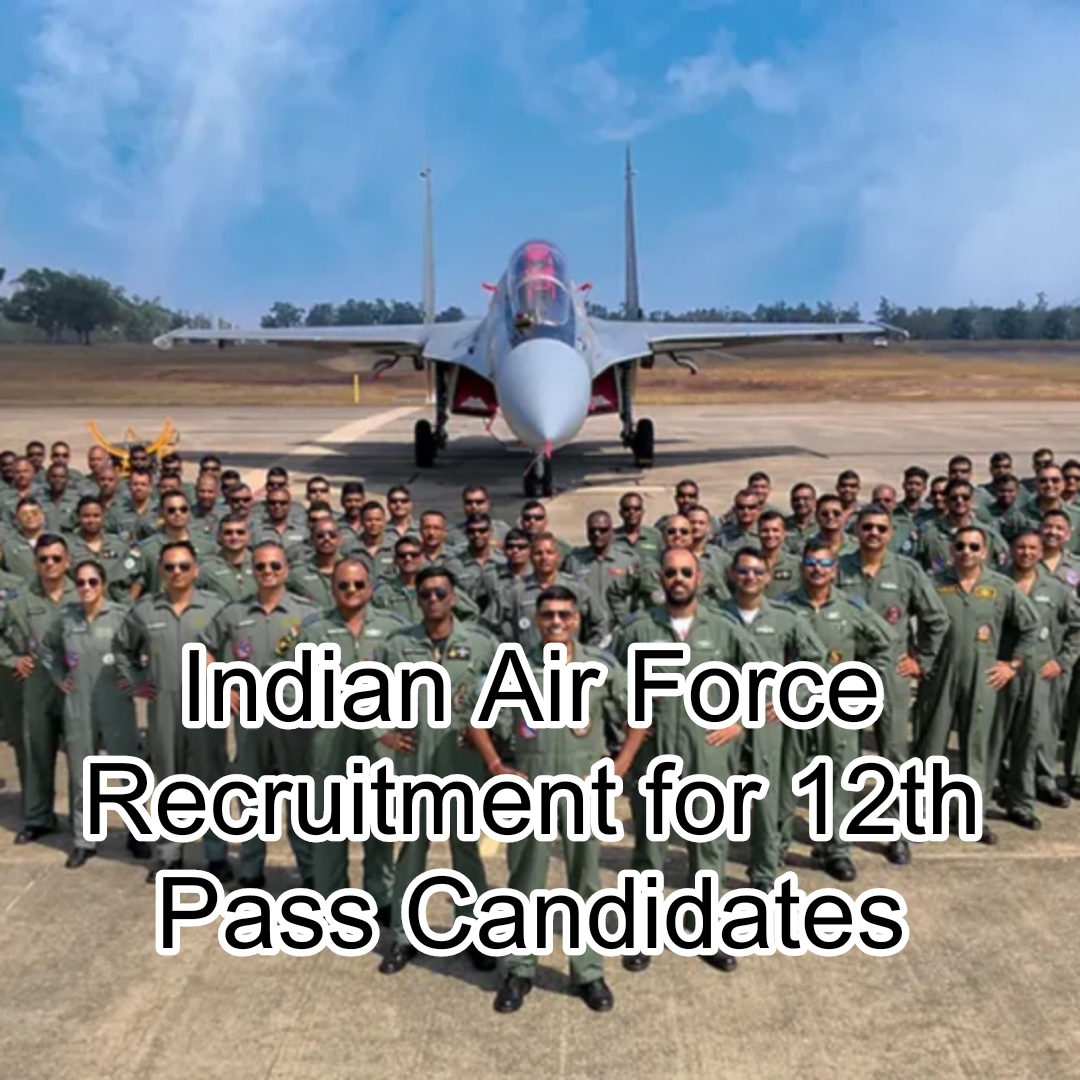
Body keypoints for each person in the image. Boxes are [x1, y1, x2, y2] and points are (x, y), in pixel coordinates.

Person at [469, 586, 646, 1013]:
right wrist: (495, 765)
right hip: (531, 785)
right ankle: (519, 969)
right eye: (547, 614)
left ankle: (588, 972)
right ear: (537, 619)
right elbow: (478, 720)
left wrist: (619, 766)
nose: (556, 622)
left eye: (564, 614)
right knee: (524, 880)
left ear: (577, 619)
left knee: (585, 881)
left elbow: (638, 715)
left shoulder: (600, 667)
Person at [40, 560, 142, 869]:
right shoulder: (66, 618)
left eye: (93, 582)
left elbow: (143, 650)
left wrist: (135, 679)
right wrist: (59, 677)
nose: (86, 588)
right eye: (81, 582)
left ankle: (137, 834)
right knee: (82, 774)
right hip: (79, 703)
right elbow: (48, 649)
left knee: (127, 770)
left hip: (116, 703)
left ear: (104, 584)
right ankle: (85, 840)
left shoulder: (122, 616)